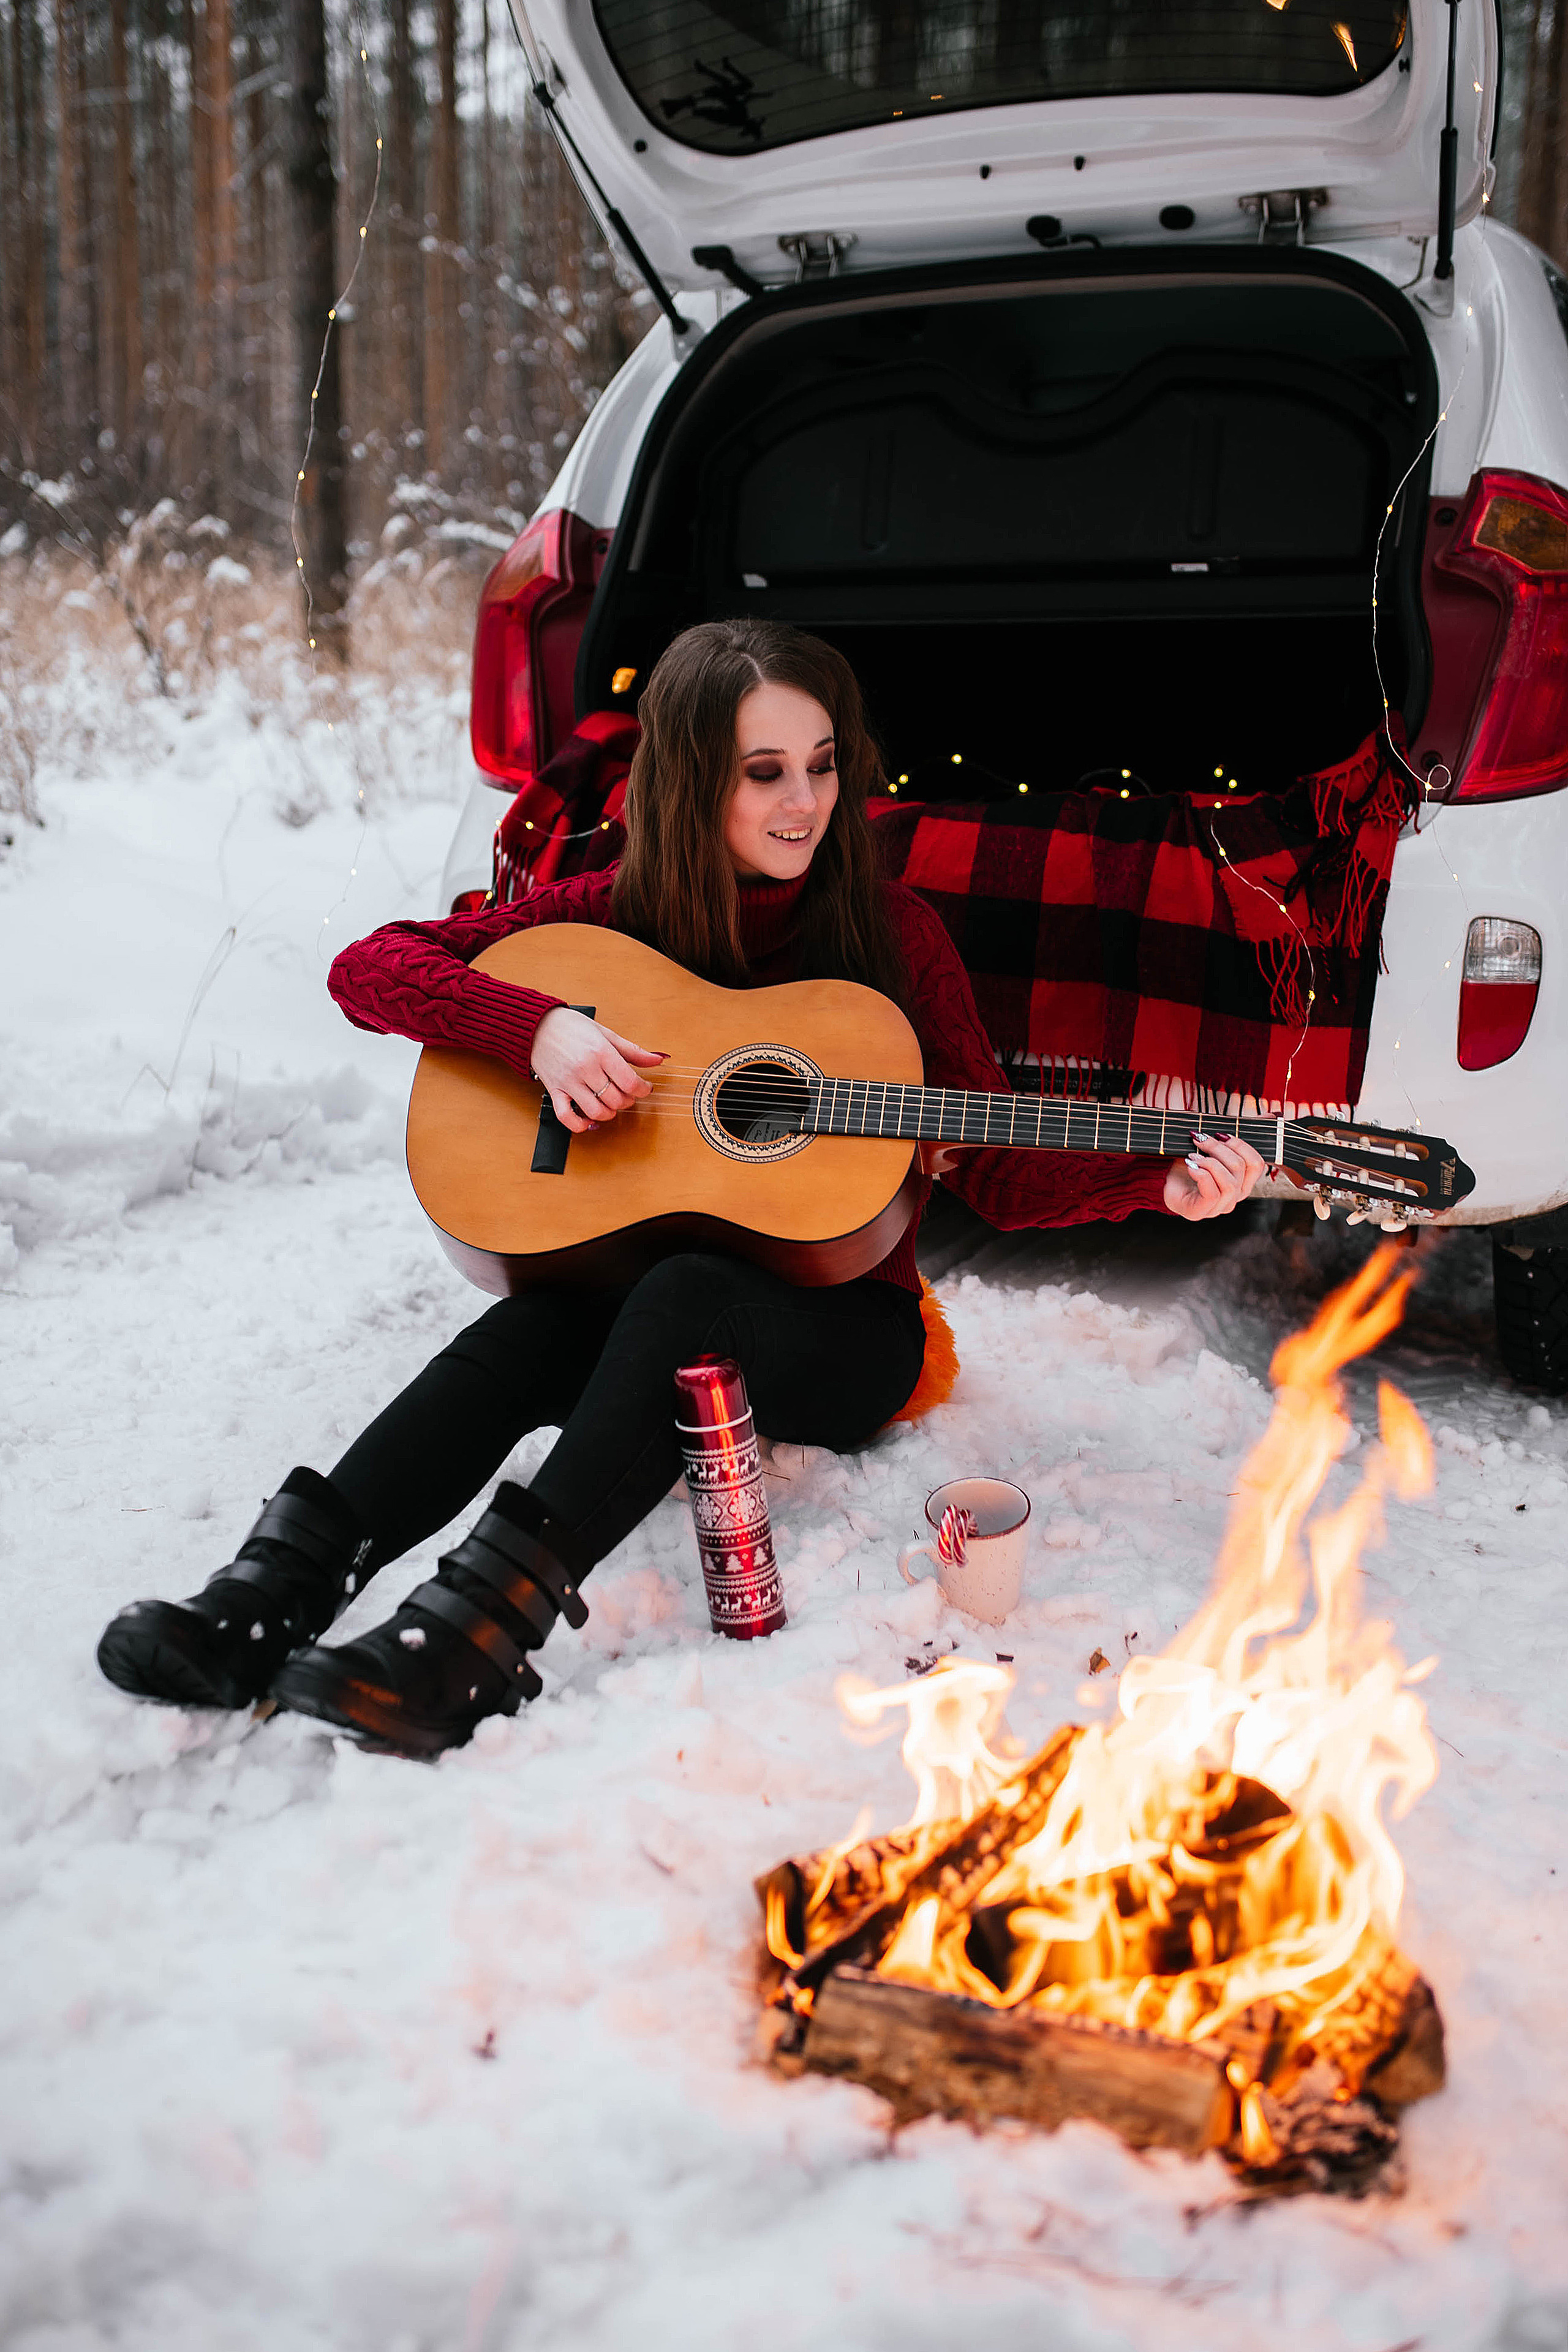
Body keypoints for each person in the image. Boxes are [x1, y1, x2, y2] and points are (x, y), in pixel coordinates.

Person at [97, 620, 1264, 1758]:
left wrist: (1161, 1181)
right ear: (694, 779)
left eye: (821, 766)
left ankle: (473, 1638)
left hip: (848, 1331)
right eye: (764, 774)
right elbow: (374, 967)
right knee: (535, 1327)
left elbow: (999, 1172)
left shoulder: (889, 935)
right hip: (652, 1302)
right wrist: (536, 1027)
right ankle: (266, 1603)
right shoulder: (615, 913)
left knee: (692, 1289)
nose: (803, 804)